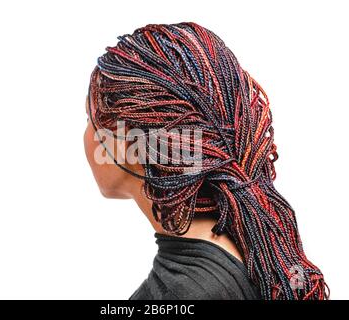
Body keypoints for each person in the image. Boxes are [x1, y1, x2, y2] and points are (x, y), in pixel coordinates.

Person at [83, 22, 328, 300]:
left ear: (130, 139)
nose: (86, 136)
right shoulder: (263, 250)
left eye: (90, 121)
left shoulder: (177, 295)